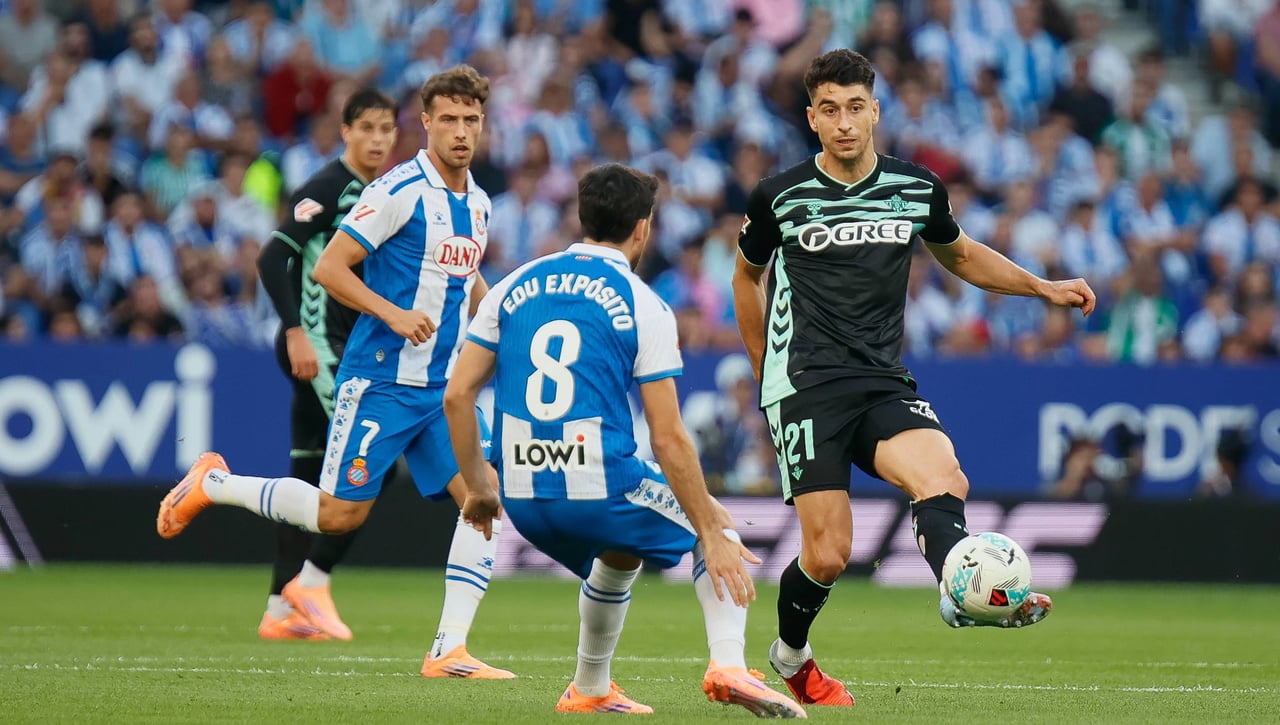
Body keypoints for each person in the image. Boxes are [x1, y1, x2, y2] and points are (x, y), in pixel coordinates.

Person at [731, 49, 1097, 707]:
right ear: (813, 118)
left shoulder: (915, 187)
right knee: (829, 554)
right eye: (830, 110)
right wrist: (765, 372)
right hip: (807, 384)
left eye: (856, 108)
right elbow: (745, 274)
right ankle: (790, 653)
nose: (845, 122)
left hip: (879, 380)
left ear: (875, 110)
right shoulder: (780, 196)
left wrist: (1040, 286)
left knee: (943, 473)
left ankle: (964, 587)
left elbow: (960, 253)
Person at [156, 66, 515, 679]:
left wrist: (504, 331)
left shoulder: (477, 202)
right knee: (338, 514)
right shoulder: (398, 190)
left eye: (471, 120)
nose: (461, 131)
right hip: (377, 378)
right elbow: (331, 269)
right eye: (448, 119)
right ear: (425, 123)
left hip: (439, 390)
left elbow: (468, 280)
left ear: (483, 124)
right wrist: (394, 314)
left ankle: (448, 649)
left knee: (483, 503)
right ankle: (214, 485)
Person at [445, 163, 806, 719]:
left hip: (521, 493)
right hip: (598, 484)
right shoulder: (643, 305)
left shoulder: (512, 285)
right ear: (643, 229)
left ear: (582, 217)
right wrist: (707, 528)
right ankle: (729, 665)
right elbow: (667, 436)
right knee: (718, 526)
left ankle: (589, 687)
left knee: (620, 554)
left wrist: (478, 486)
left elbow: (457, 395)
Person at [249, 88, 397, 641]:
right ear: (346, 131)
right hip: (320, 349)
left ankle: (277, 611)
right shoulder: (328, 188)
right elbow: (273, 255)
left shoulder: (381, 190)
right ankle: (312, 583)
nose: (378, 140)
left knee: (310, 473)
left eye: (387, 129)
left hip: (343, 349)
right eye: (368, 129)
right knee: (370, 465)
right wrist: (295, 332)